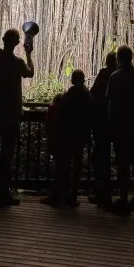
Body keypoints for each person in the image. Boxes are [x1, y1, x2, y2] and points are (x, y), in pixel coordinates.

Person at [0, 27, 34, 207]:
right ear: (17, 43)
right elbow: (30, 72)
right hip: (11, 114)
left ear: (3, 39)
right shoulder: (17, 62)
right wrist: (29, 54)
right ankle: (3, 193)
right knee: (7, 154)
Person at [106, 44, 134, 215]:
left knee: (122, 164)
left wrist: (111, 123)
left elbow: (110, 102)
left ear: (119, 59)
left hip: (120, 127)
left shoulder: (115, 77)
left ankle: (123, 199)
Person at [42, 70, 92, 208]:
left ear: (73, 80)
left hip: (69, 134)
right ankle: (72, 196)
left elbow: (62, 111)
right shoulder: (88, 94)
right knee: (76, 166)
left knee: (62, 165)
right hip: (81, 135)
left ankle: (58, 195)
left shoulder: (71, 94)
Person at [90, 50, 117, 208]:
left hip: (101, 123)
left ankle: (103, 195)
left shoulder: (105, 75)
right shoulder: (120, 76)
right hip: (116, 124)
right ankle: (113, 195)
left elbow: (94, 94)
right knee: (117, 160)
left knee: (100, 157)